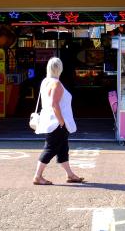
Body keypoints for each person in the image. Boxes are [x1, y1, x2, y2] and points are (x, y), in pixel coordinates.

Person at [32, 57, 85, 185]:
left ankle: (70, 174)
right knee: (50, 148)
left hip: (51, 121)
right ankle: (37, 176)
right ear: (60, 69)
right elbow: (54, 104)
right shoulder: (56, 83)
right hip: (57, 123)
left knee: (62, 148)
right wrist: (62, 123)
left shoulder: (46, 81)